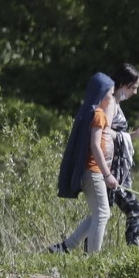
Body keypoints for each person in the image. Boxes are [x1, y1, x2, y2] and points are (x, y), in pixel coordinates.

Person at [48, 73, 117, 254]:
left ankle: (65, 247)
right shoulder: (99, 114)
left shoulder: (89, 112)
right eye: (110, 95)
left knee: (99, 213)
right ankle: (92, 259)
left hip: (89, 172)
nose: (111, 99)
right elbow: (95, 146)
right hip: (93, 172)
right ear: (102, 94)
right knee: (103, 214)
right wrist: (107, 174)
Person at [108, 63, 139, 246]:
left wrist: (135, 135)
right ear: (123, 84)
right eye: (133, 87)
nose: (135, 92)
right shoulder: (110, 103)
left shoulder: (116, 105)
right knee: (134, 209)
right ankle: (133, 252)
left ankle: (83, 251)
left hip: (119, 170)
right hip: (111, 170)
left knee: (102, 214)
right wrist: (133, 135)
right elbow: (102, 131)